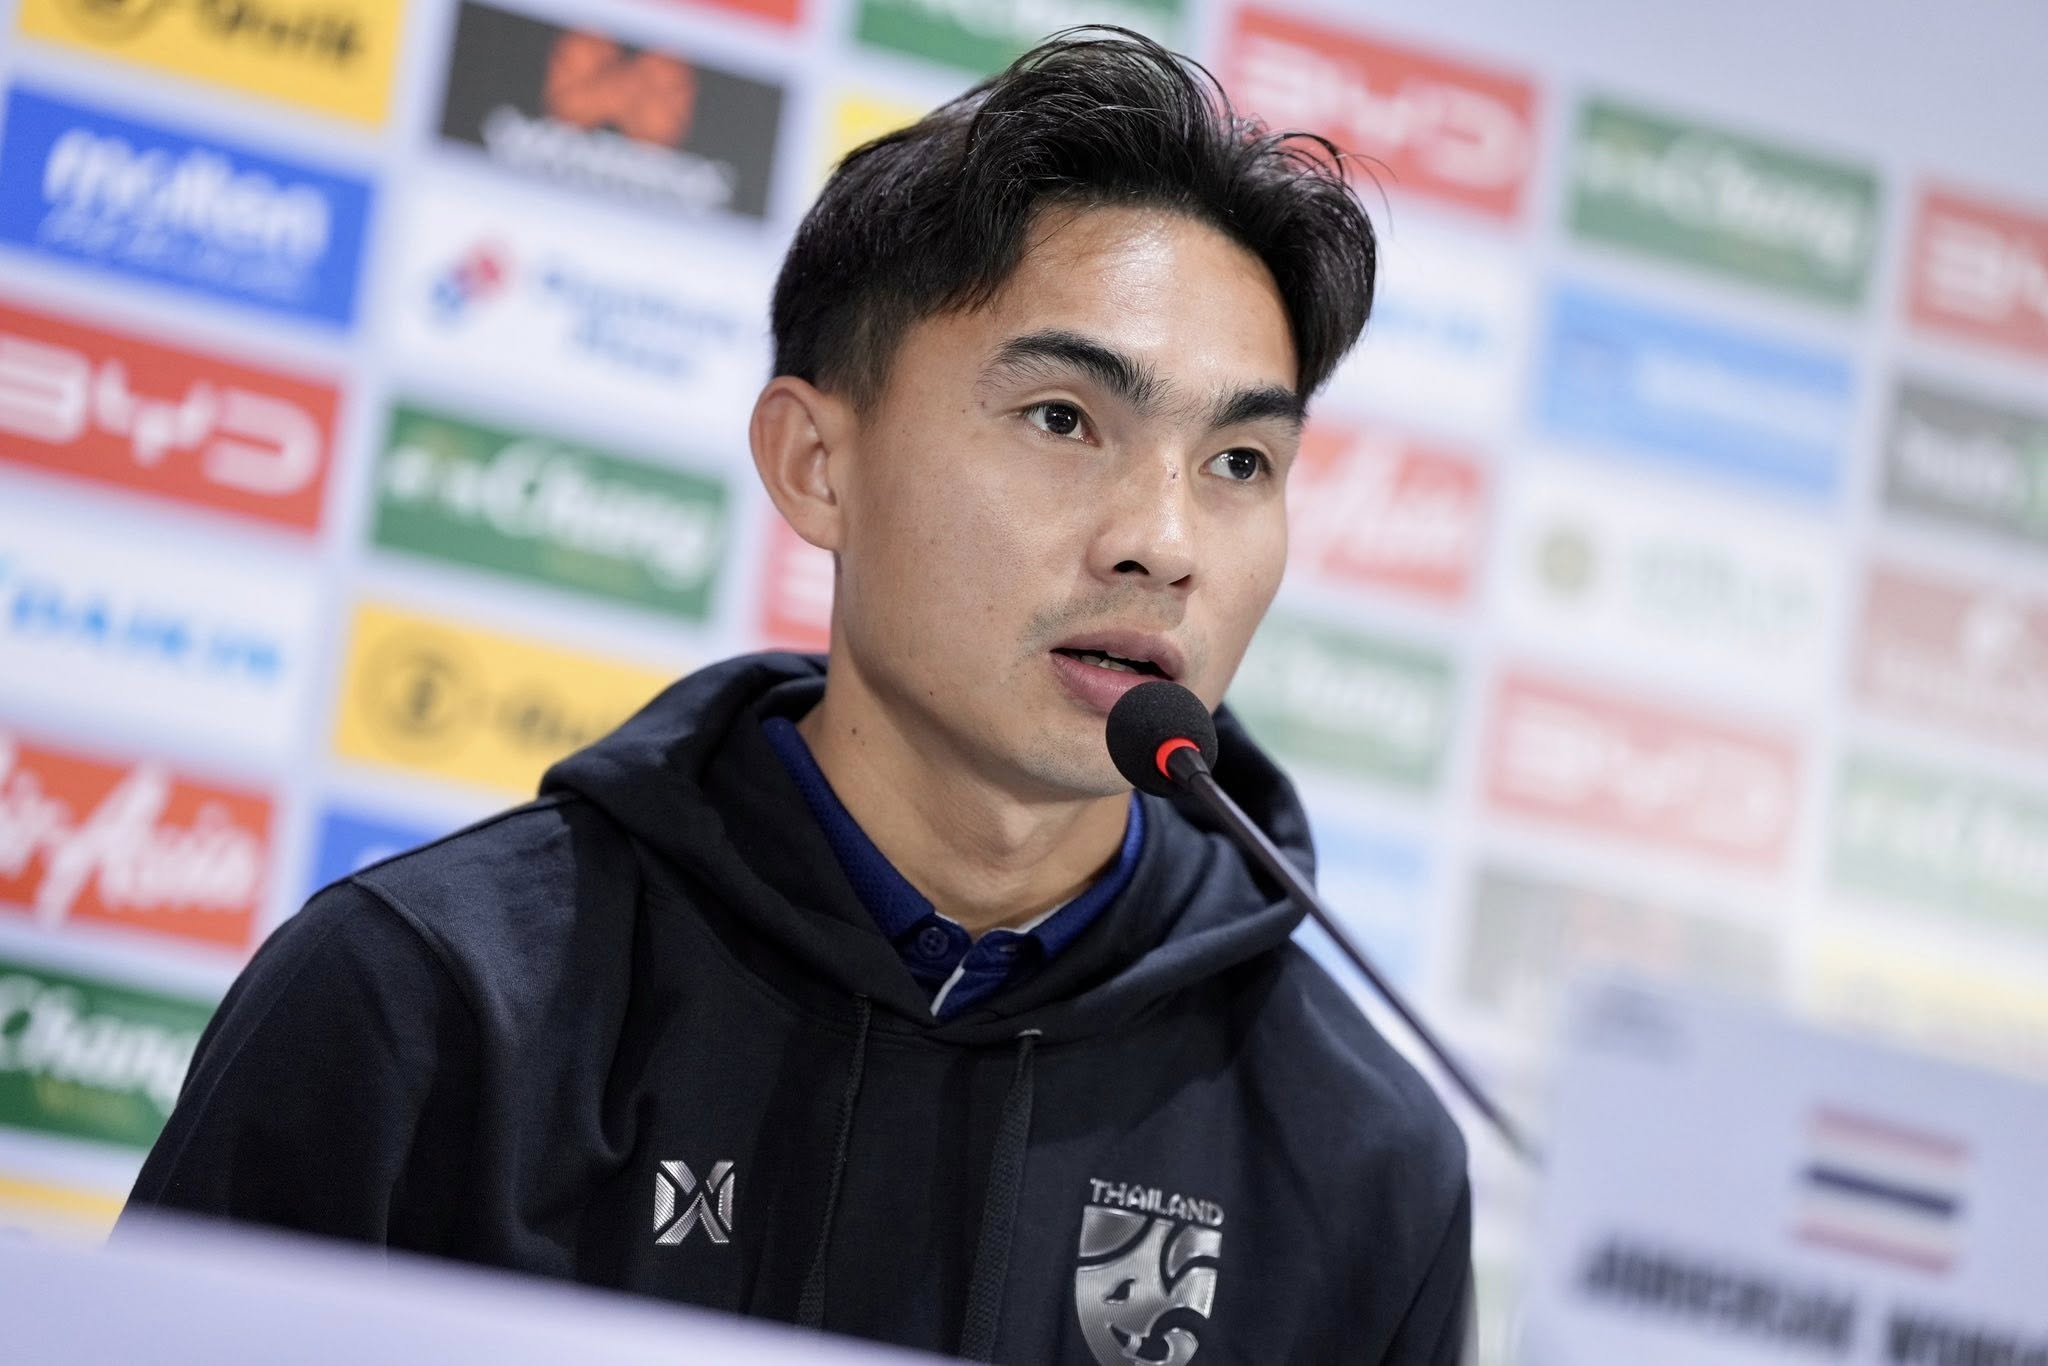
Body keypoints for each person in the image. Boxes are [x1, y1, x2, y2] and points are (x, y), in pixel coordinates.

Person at [124, 28, 1472, 1364]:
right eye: (1063, 418)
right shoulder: (427, 1002)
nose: (1164, 543)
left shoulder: (1362, 1164)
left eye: (1240, 461)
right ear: (818, 466)